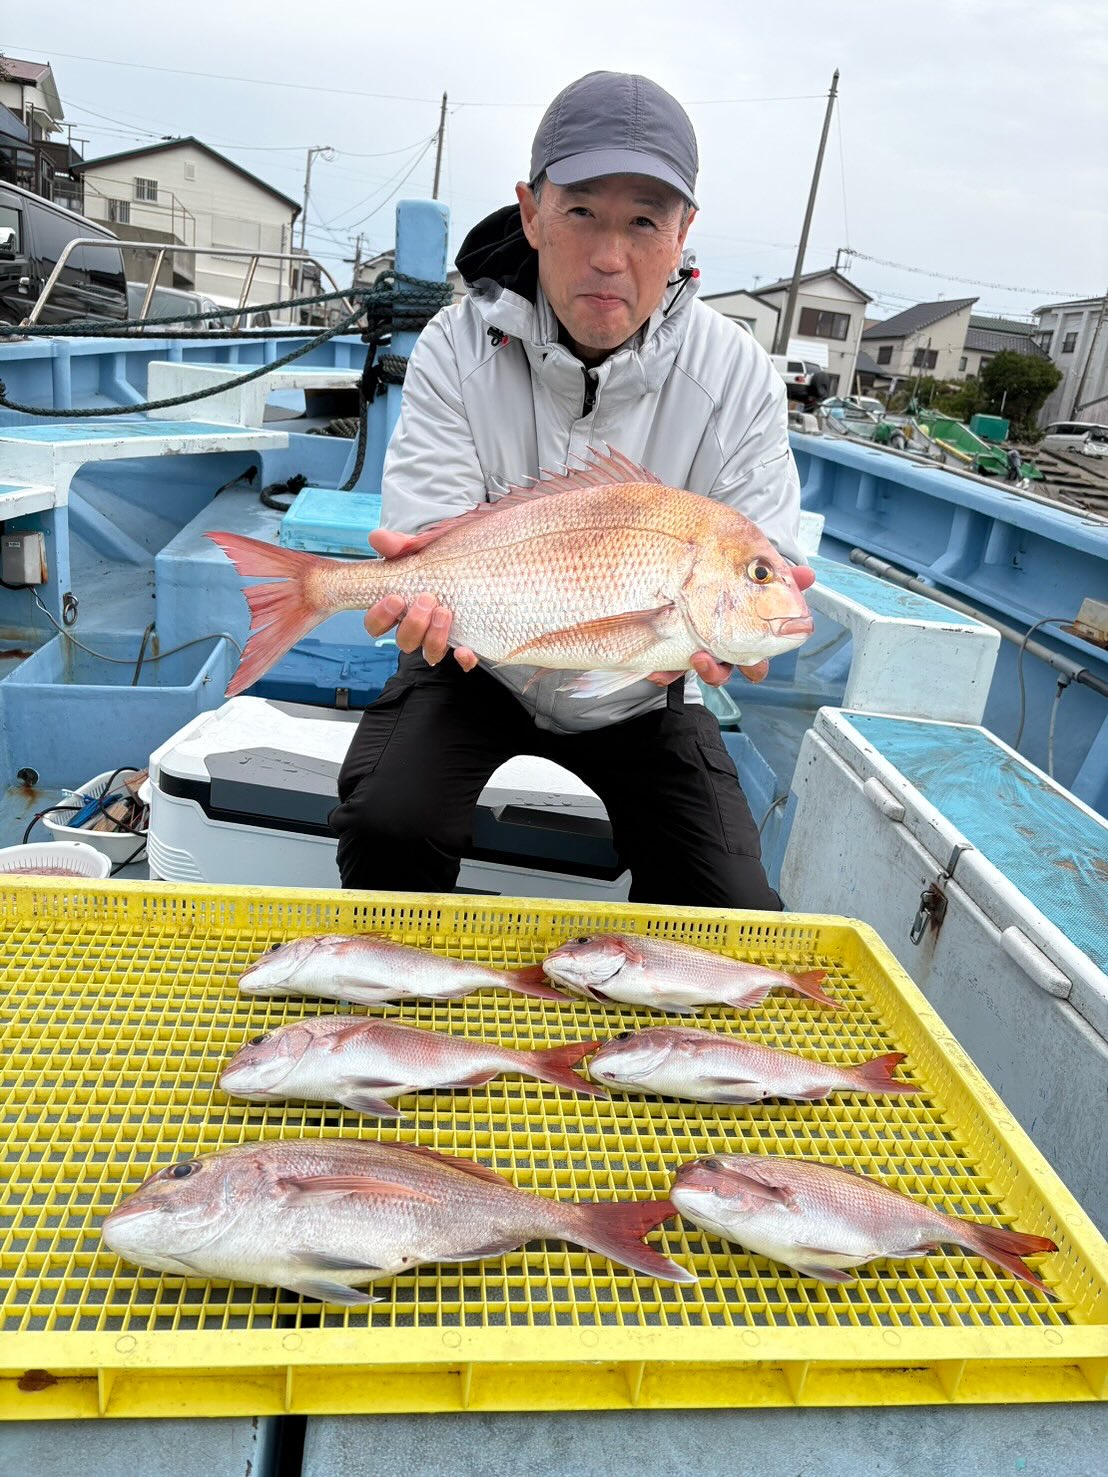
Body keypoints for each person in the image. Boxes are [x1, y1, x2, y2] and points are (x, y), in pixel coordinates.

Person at [329, 70, 815, 909]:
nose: (609, 256)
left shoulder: (738, 376)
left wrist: (745, 616)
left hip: (645, 683)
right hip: (479, 664)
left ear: (684, 232)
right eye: (582, 211)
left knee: (731, 899)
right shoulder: (453, 345)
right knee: (387, 822)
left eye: (645, 221)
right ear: (531, 212)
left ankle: (638, 996)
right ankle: (399, 983)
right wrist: (416, 596)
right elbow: (431, 530)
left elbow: (761, 543)